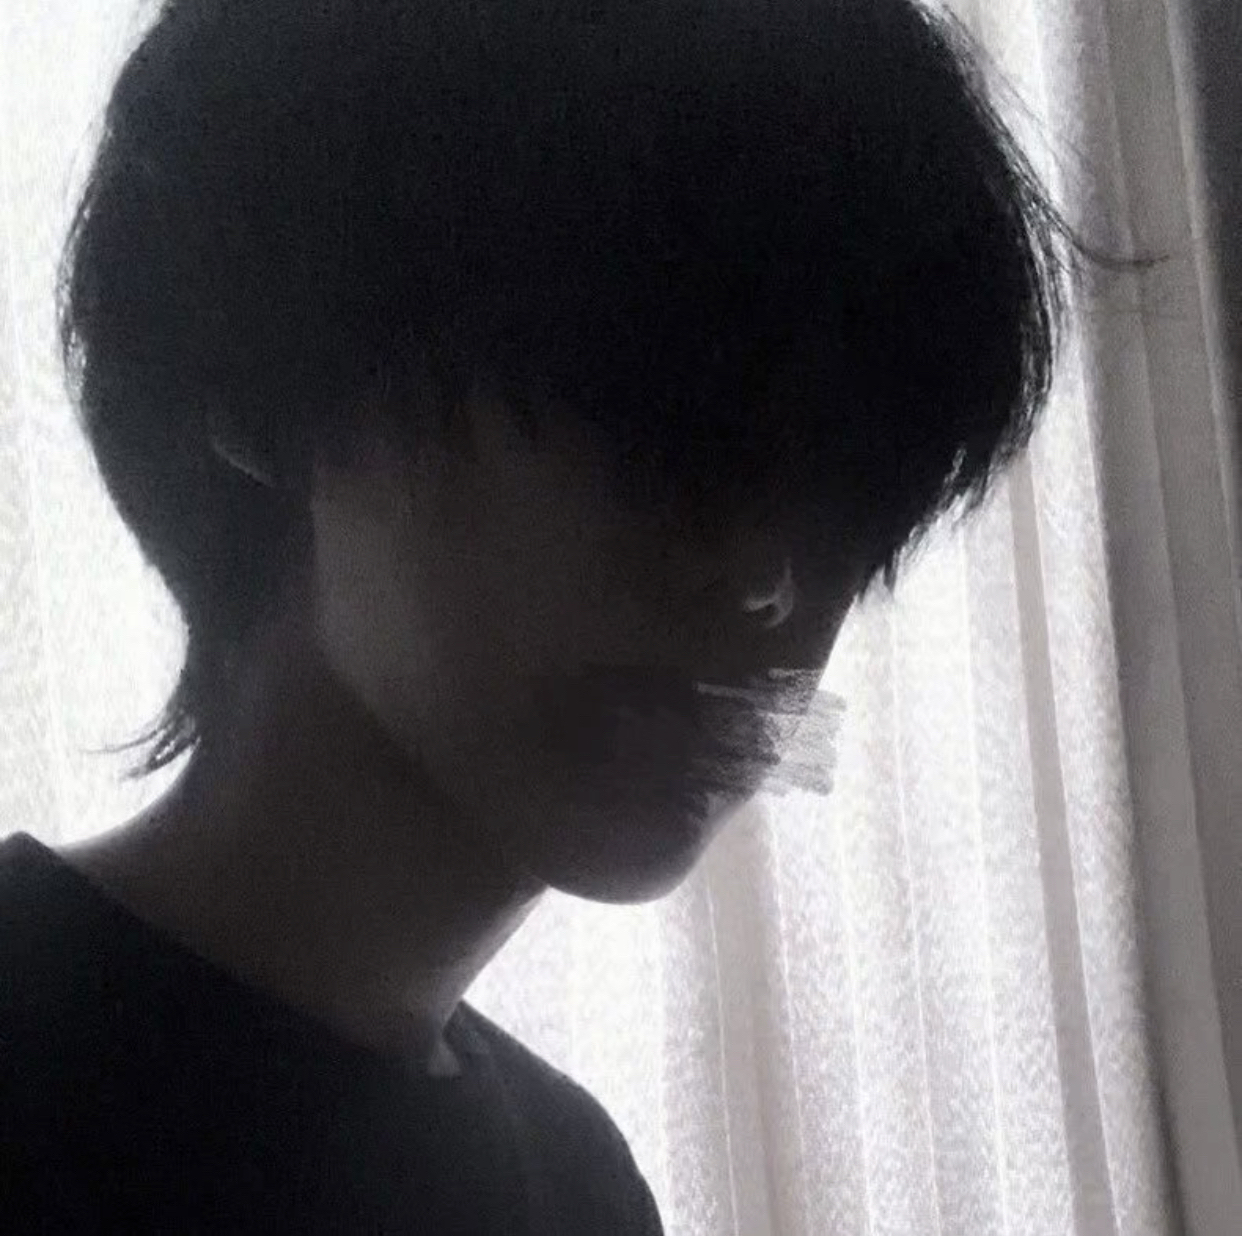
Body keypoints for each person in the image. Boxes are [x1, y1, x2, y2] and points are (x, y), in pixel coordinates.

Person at [0, 0, 1086, 1230]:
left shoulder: (577, 1184)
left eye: (849, 502)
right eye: (668, 441)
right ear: (267, 395)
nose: (768, 585)